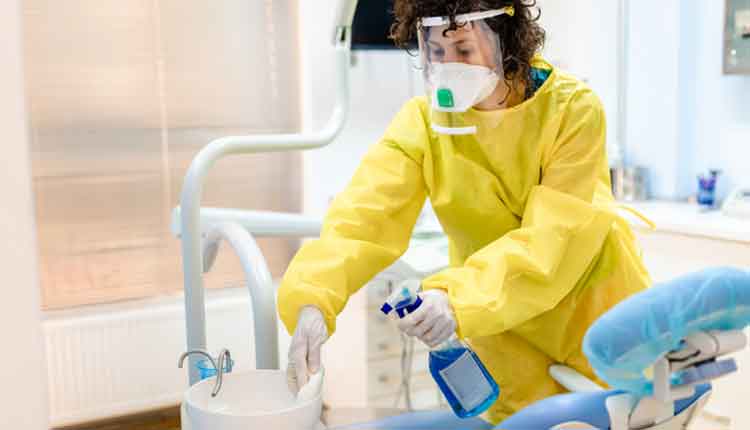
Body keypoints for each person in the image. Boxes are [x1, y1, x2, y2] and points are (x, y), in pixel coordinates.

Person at [278, 0, 651, 424]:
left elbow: (553, 242)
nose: (449, 65)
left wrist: (454, 296)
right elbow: (365, 216)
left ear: (506, 40)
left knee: (608, 417)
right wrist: (312, 296)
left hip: (594, 316)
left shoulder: (572, 111)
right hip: (500, 326)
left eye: (464, 50)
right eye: (437, 52)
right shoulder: (423, 123)